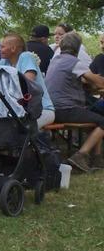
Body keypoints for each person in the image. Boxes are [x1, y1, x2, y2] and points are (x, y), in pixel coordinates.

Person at [43, 32, 104, 172]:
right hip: (66, 109)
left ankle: (97, 158)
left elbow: (78, 78)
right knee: (102, 120)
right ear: (77, 48)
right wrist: (95, 80)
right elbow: (99, 83)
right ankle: (81, 155)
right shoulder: (74, 62)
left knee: (95, 119)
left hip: (51, 108)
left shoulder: (56, 60)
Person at [0, 33, 55, 129]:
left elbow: (27, 83)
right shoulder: (4, 61)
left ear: (13, 48)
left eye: (2, 47)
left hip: (41, 110)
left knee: (16, 130)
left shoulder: (26, 56)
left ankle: (32, 143)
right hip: (21, 111)